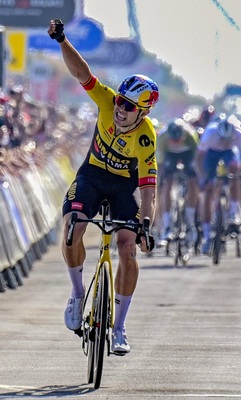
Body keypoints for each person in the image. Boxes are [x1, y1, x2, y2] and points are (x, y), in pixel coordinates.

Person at [48, 19, 159, 355]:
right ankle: (78, 294)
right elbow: (83, 73)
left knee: (128, 248)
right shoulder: (107, 102)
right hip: (91, 178)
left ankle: (121, 326)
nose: (120, 109)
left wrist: (146, 224)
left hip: (123, 188)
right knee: (72, 229)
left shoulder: (146, 138)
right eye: (121, 102)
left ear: (143, 111)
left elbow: (149, 189)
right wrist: (62, 40)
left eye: (129, 106)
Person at [195, 115, 241, 254]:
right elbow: (198, 160)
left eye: (229, 139)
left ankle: (234, 212)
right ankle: (207, 234)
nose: (225, 142)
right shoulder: (209, 133)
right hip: (211, 154)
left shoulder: (240, 134)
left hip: (229, 154)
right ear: (218, 134)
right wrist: (203, 178)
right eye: (223, 139)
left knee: (235, 170)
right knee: (208, 191)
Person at [156, 118, 200, 247]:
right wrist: (159, 182)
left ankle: (191, 222)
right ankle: (167, 225)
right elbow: (160, 164)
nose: (175, 143)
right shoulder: (162, 138)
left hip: (188, 153)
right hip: (169, 154)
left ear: (183, 136)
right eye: (172, 140)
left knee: (193, 182)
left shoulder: (191, 135)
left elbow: (198, 159)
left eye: (178, 140)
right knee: (166, 183)